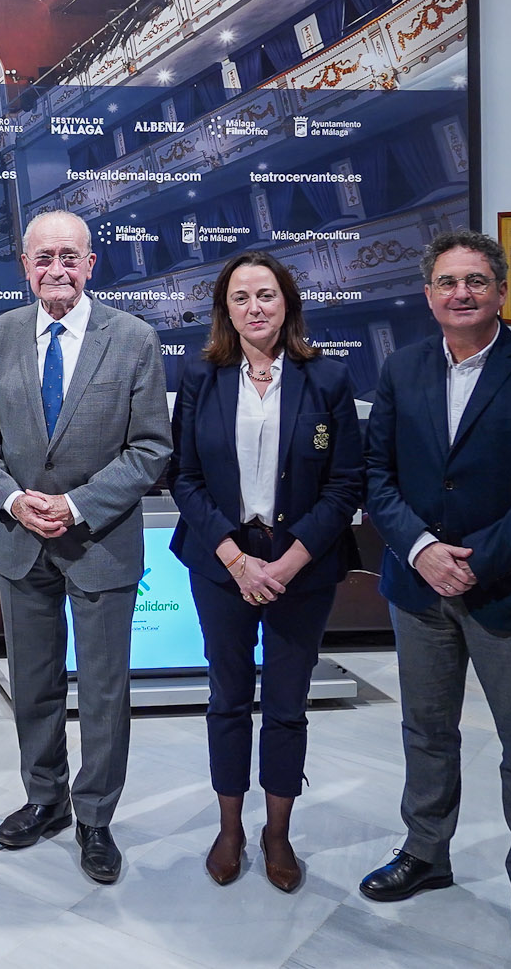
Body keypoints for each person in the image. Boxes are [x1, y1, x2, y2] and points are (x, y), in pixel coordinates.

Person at [358, 229, 511, 969]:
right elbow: (376, 477)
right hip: (416, 587)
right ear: (428, 294)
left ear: (500, 292)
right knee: (427, 732)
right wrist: (422, 550)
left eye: (476, 281)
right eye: (448, 281)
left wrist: (476, 561)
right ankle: (426, 851)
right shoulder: (401, 369)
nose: (461, 293)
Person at [0, 209, 172, 884]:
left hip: (99, 542)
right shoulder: (0, 334)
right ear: (25, 266)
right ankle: (46, 798)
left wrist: (76, 504)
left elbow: (151, 448)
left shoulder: (135, 338)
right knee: (33, 683)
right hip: (20, 540)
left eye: (69, 256)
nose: (56, 268)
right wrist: (11, 499)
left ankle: (95, 817)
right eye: (43, 257)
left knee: (105, 690)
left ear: (91, 264)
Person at [169, 252, 364, 893]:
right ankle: (229, 827)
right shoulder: (201, 377)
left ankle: (278, 832)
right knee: (227, 698)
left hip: (300, 565)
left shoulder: (327, 379)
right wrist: (235, 558)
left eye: (267, 295)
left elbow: (345, 483)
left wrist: (288, 560)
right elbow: (184, 478)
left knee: (286, 703)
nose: (255, 307)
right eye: (242, 297)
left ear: (287, 304)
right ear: (226, 310)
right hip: (222, 563)